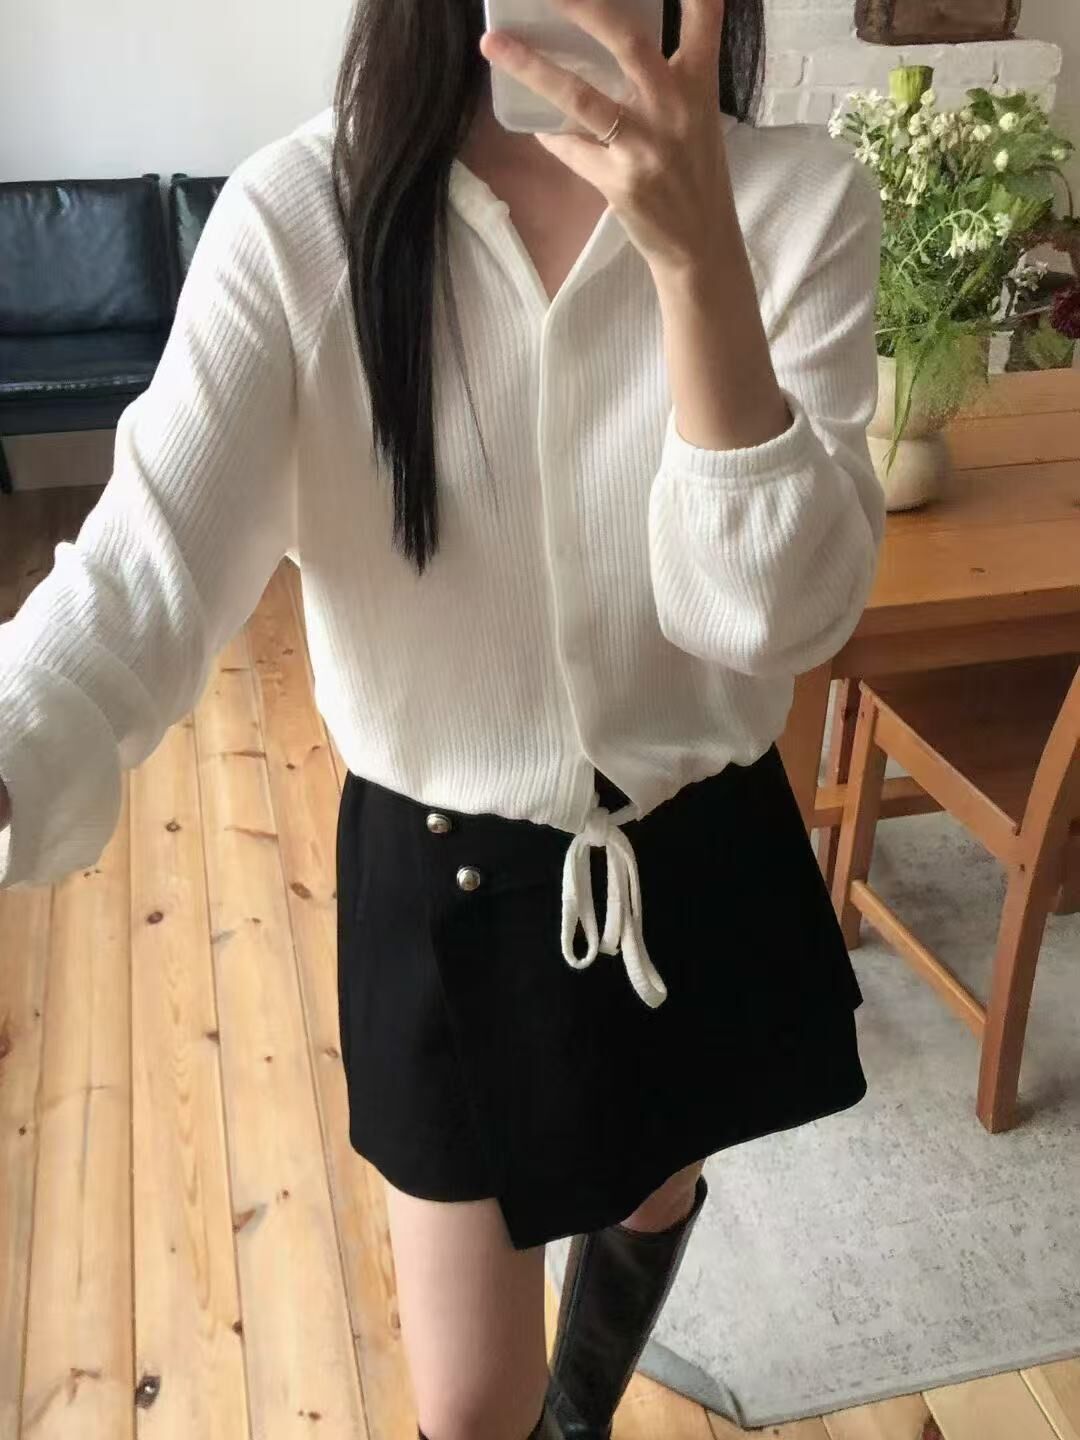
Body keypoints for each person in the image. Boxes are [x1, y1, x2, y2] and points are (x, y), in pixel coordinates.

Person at [0, 0, 885, 1435]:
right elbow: (141, 573)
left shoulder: (801, 204)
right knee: (470, 1404)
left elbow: (769, 620)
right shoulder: (301, 218)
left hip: (694, 848)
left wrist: (699, 262)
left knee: (655, 1186)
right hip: (445, 870)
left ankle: (586, 1414)